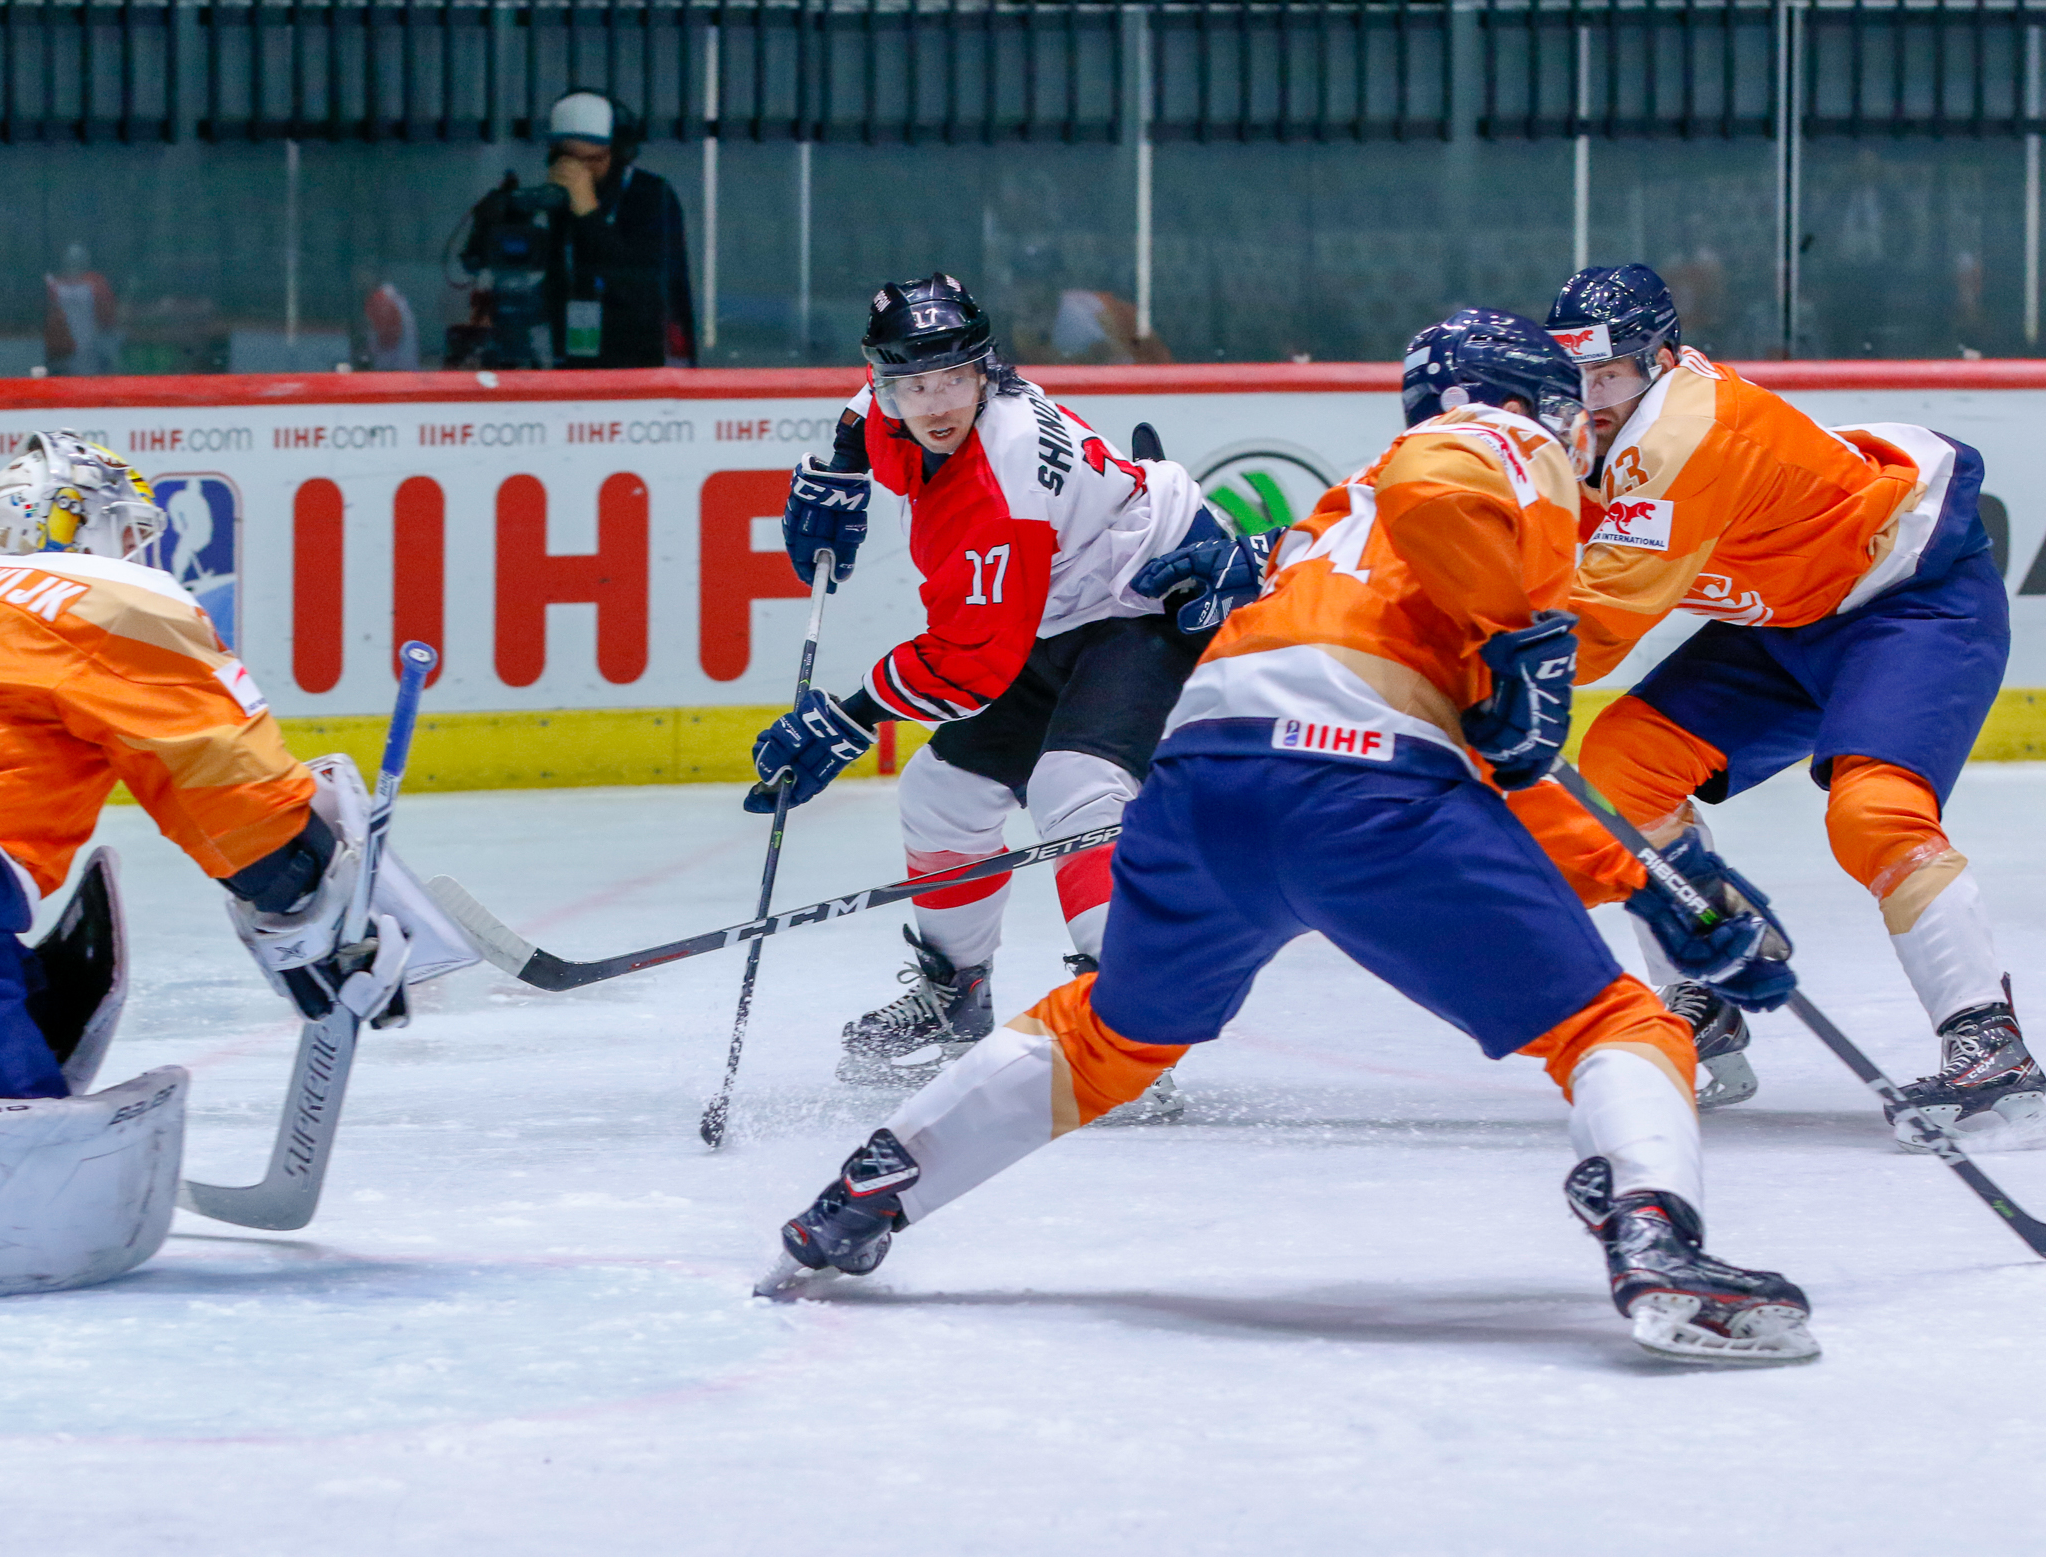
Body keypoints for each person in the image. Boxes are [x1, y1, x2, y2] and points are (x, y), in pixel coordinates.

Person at [758, 309, 1819, 1366]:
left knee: (1108, 1034)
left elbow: (1502, 763)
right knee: (1613, 1026)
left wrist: (1653, 888)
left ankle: (865, 1193)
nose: (1580, 434)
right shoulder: (1493, 443)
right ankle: (1651, 1232)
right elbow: (1439, 499)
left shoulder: (1337, 523)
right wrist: (1536, 651)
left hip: (1201, 786)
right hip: (1364, 791)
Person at [0, 433, 462, 1314]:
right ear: (91, 523)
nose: (141, 552)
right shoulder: (119, 602)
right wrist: (313, 904)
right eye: (127, 529)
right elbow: (216, 765)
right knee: (18, 1150)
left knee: (37, 1014)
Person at [752, 273, 1273, 1118]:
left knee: (1076, 785)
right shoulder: (894, 402)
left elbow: (973, 667)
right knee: (941, 791)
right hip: (1056, 603)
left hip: (1146, 594)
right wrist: (840, 468)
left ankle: (1128, 1025)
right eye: (913, 384)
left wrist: (849, 719)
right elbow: (861, 410)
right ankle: (956, 992)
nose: (937, 401)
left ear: (985, 369)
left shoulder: (998, 486)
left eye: (954, 378)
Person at [1544, 265, 2028, 1142]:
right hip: (1789, 616)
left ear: (1660, 356)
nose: (1592, 393)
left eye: (1608, 372)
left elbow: (1596, 626)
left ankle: (1990, 1048)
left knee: (1876, 812)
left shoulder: (1683, 436)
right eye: (1578, 371)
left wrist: (1470, 667)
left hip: (1911, 602)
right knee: (1625, 765)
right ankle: (1706, 998)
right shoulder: (1598, 424)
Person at [541, 90, 694, 368]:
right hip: (575, 358)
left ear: (618, 154)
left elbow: (641, 289)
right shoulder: (558, 202)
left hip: (639, 362)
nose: (581, 173)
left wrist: (589, 214)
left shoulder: (650, 195)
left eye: (593, 160)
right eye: (570, 161)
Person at [43, 242, 119, 377]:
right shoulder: (52, 283)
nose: (74, 263)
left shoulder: (97, 283)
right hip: (61, 354)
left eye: (78, 259)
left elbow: (108, 317)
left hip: (92, 351)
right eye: (71, 259)